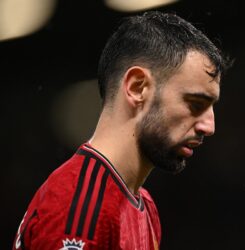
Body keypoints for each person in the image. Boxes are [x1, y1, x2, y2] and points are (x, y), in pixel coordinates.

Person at [13, 11, 229, 250]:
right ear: (138, 87)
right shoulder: (81, 209)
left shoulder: (143, 204)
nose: (209, 126)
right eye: (195, 104)